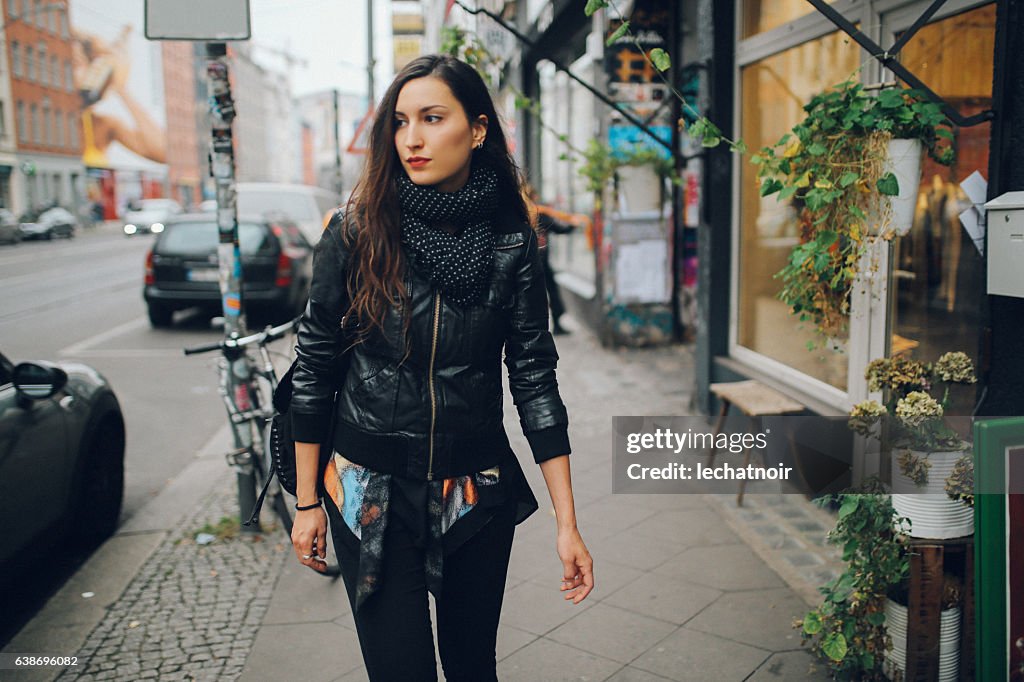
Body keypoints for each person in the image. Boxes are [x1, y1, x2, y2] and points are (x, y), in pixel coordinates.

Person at [288, 54, 594, 681]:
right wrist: (305, 501)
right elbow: (313, 367)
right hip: (367, 489)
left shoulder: (513, 242)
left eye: (432, 118)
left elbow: (534, 377)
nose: (412, 139)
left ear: (477, 129)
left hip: (473, 488)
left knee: (472, 668)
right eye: (400, 122)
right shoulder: (356, 232)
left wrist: (568, 524)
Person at [526, 186, 579, 335]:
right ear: (534, 197)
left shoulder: (523, 214)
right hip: (541, 261)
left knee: (531, 295)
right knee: (552, 292)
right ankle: (556, 323)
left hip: (527, 262)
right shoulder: (540, 214)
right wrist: (573, 225)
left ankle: (533, 329)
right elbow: (560, 229)